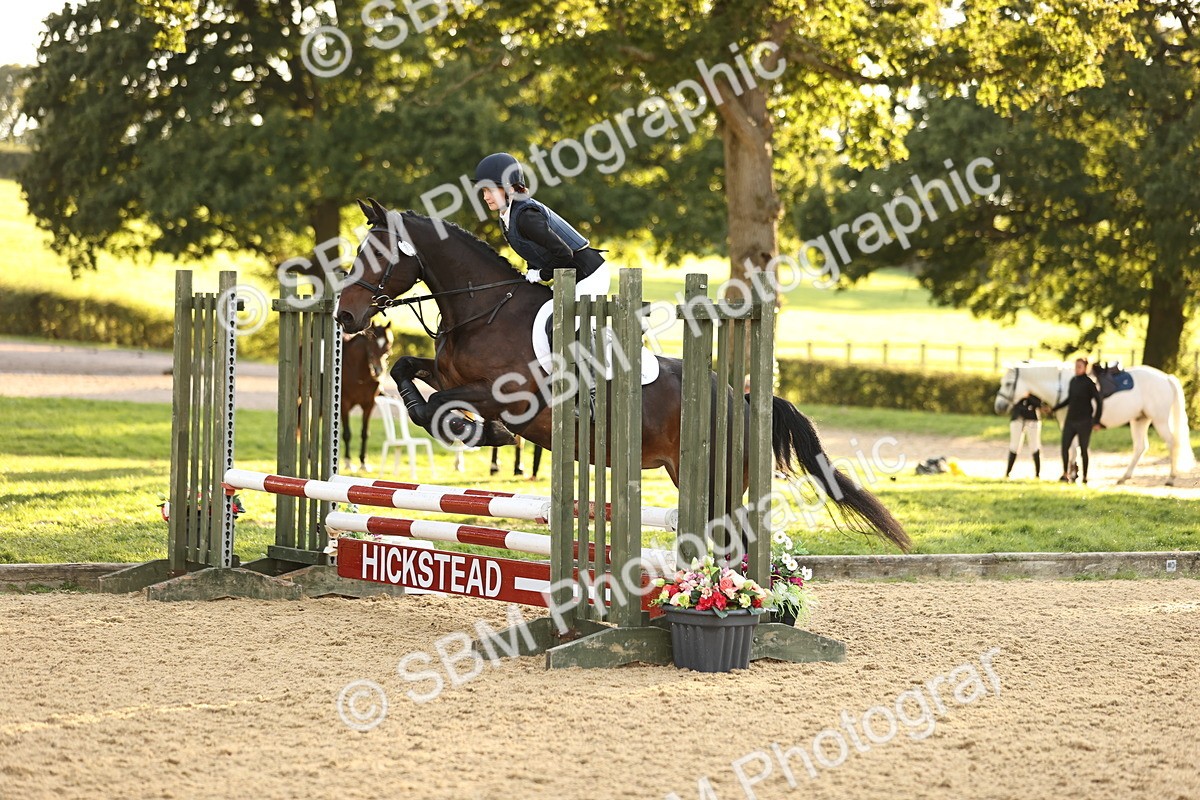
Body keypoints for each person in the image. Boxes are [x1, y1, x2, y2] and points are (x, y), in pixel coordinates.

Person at [472, 153, 610, 298]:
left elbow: (564, 252)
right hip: (569, 277)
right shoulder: (507, 215)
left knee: (563, 319)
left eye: (491, 190)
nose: (485, 197)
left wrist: (541, 275)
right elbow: (531, 248)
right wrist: (531, 271)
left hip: (589, 274)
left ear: (510, 189)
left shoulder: (526, 216)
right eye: (484, 191)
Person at [1052, 358, 1104, 484]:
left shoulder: (1089, 383)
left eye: (1079, 366)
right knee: (1064, 447)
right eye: (1076, 366)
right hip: (1070, 420)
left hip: (1084, 421)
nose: (1077, 368)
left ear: (1085, 367)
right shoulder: (1073, 381)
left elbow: (1099, 401)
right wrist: (1054, 408)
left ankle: (1085, 476)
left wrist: (1096, 421)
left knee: (1084, 449)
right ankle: (1065, 474)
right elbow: (1069, 399)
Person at [1006, 392, 1044, 479]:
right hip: (1017, 417)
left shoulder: (1035, 387)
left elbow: (1039, 403)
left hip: (1032, 418)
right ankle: (1007, 473)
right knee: (1014, 445)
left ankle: (1037, 474)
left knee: (1035, 445)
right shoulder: (1016, 385)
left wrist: (1028, 396)